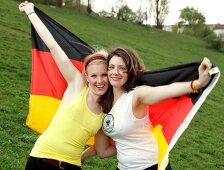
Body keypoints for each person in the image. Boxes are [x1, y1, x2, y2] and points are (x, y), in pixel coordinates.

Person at [83, 47, 212, 170]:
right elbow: (103, 151)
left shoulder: (136, 95)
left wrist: (197, 83)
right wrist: (82, 156)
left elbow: (167, 90)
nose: (115, 72)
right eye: (111, 67)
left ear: (130, 72)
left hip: (150, 166)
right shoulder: (104, 103)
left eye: (122, 68)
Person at [19, 1, 109, 169]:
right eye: (94, 75)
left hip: (72, 166)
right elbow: (53, 46)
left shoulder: (108, 108)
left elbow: (102, 148)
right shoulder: (76, 84)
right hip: (40, 160)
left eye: (104, 75)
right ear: (86, 77)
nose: (99, 80)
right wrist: (30, 12)